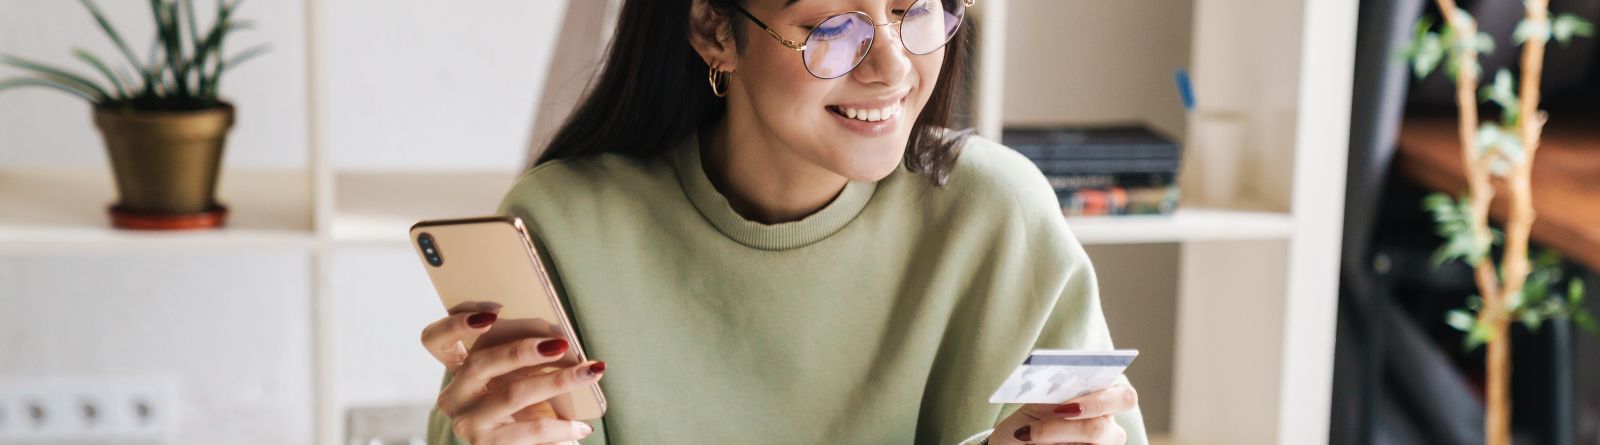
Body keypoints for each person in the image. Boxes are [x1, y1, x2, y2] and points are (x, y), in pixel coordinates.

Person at [417, 0, 1148, 443]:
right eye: (835, 26)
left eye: (913, 11)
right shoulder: (565, 226)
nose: (893, 68)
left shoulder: (995, 215)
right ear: (713, 29)